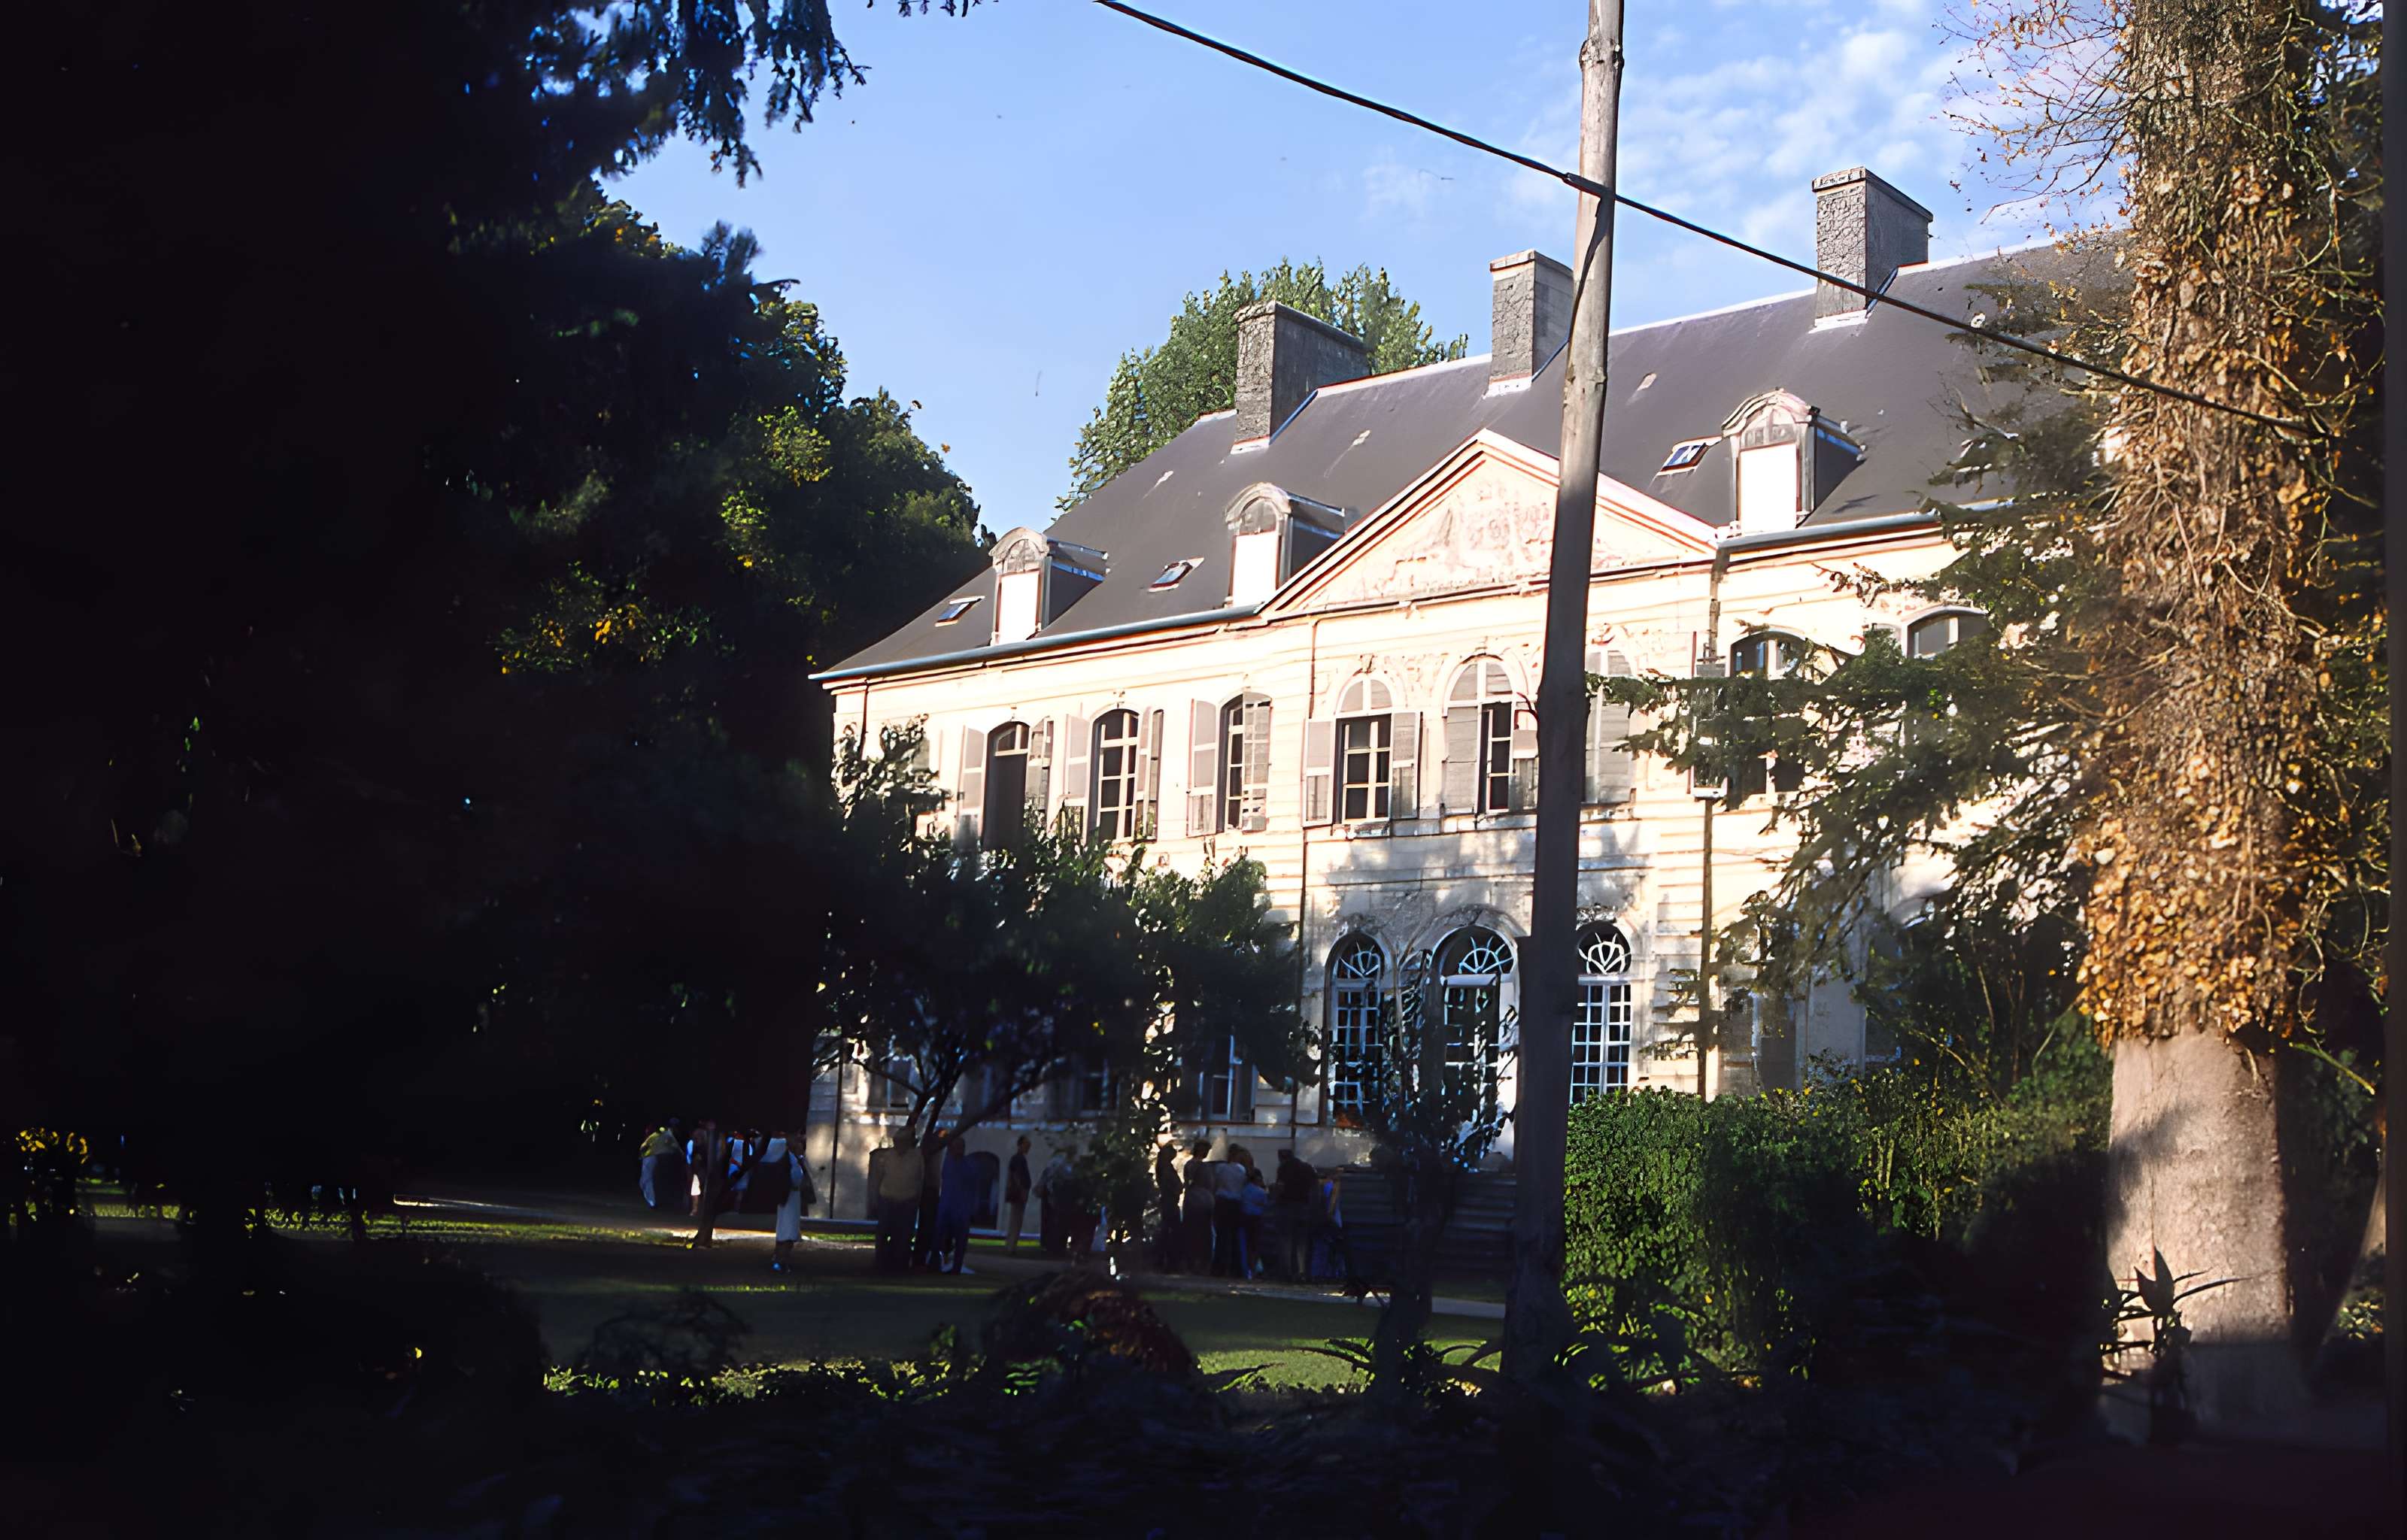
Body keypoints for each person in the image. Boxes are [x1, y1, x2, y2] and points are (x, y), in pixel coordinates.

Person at [755, 1132, 814, 1273]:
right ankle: (781, 1259)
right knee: (787, 1229)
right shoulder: (790, 1159)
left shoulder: (791, 1158)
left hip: (790, 1196)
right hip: (790, 1195)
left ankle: (780, 1258)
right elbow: (796, 1178)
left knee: (786, 1228)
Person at [873, 1131, 923, 1273]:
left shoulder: (917, 1157)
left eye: (902, 1141)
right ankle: (881, 1263)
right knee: (883, 1233)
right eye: (897, 1141)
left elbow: (920, 1178)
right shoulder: (887, 1157)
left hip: (907, 1201)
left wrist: (916, 1198)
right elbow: (879, 1177)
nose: (899, 1144)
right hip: (888, 1199)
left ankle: (900, 1264)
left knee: (904, 1235)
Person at [935, 1133, 979, 1275]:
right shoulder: (950, 1163)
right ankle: (936, 1264)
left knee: (959, 1241)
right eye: (957, 1147)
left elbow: (971, 1187)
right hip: (949, 1207)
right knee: (940, 1238)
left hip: (960, 1209)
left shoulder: (966, 1165)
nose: (960, 1149)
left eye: (961, 1147)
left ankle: (956, 1266)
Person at [1273, 1150, 1316, 1281]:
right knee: (1302, 1242)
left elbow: (1280, 1187)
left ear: (1281, 1158)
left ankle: (1286, 1273)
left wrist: (1275, 1198)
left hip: (1287, 1207)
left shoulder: (1284, 1168)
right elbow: (1315, 1189)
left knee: (1286, 1240)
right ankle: (1302, 1272)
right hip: (1304, 1207)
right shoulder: (1307, 1168)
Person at [1210, 1142, 1250, 1278]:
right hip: (1235, 1203)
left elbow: (1215, 1183)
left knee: (1222, 1235)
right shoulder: (1241, 1170)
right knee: (1234, 1237)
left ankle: (1219, 1266)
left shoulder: (1220, 1168)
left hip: (1222, 1202)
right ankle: (1235, 1267)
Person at [1179, 1138, 1216, 1275]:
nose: (1206, 1153)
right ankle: (1194, 1262)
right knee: (1197, 1233)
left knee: (1200, 1233)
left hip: (1200, 1201)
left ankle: (1197, 1263)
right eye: (1205, 1150)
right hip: (1197, 1201)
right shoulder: (1195, 1165)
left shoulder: (1200, 1166)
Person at [914, 1124, 945, 1272]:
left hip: (931, 1190)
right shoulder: (932, 1150)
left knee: (928, 1227)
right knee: (926, 1226)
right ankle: (920, 1259)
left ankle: (922, 1258)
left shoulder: (933, 1151)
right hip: (929, 1190)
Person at [1036, 1143, 1076, 1257]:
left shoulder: (1065, 1165)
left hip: (1061, 1198)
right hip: (1056, 1197)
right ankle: (1053, 1246)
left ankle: (1056, 1246)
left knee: (1058, 1223)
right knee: (1054, 1222)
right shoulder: (1061, 1165)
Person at [1153, 1140, 1183, 1270]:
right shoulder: (1166, 1169)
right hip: (1169, 1202)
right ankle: (1168, 1260)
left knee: (1169, 1231)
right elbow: (1171, 1185)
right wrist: (1177, 1188)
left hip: (1170, 1201)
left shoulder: (1165, 1167)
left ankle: (1165, 1259)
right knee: (1172, 1232)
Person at [1240, 1166, 1271, 1278]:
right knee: (1255, 1245)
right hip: (1256, 1219)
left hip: (1245, 1218)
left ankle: (1248, 1268)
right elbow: (1266, 1204)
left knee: (1247, 1244)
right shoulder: (1260, 1192)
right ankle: (1253, 1268)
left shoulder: (1244, 1190)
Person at [1003, 1135, 1034, 1254]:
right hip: (1018, 1194)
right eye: (1026, 1145)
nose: (1028, 1148)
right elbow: (1016, 1176)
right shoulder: (1018, 1159)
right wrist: (1022, 1191)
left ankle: (1010, 1245)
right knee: (1016, 1220)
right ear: (1020, 1145)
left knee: (1015, 1219)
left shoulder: (1019, 1159)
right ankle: (1011, 1246)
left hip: (1018, 1193)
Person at [639, 1123, 678, 1210]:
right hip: (649, 1158)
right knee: (643, 1182)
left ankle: (653, 1203)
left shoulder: (657, 1138)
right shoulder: (651, 1139)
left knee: (647, 1181)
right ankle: (652, 1202)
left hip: (651, 1158)